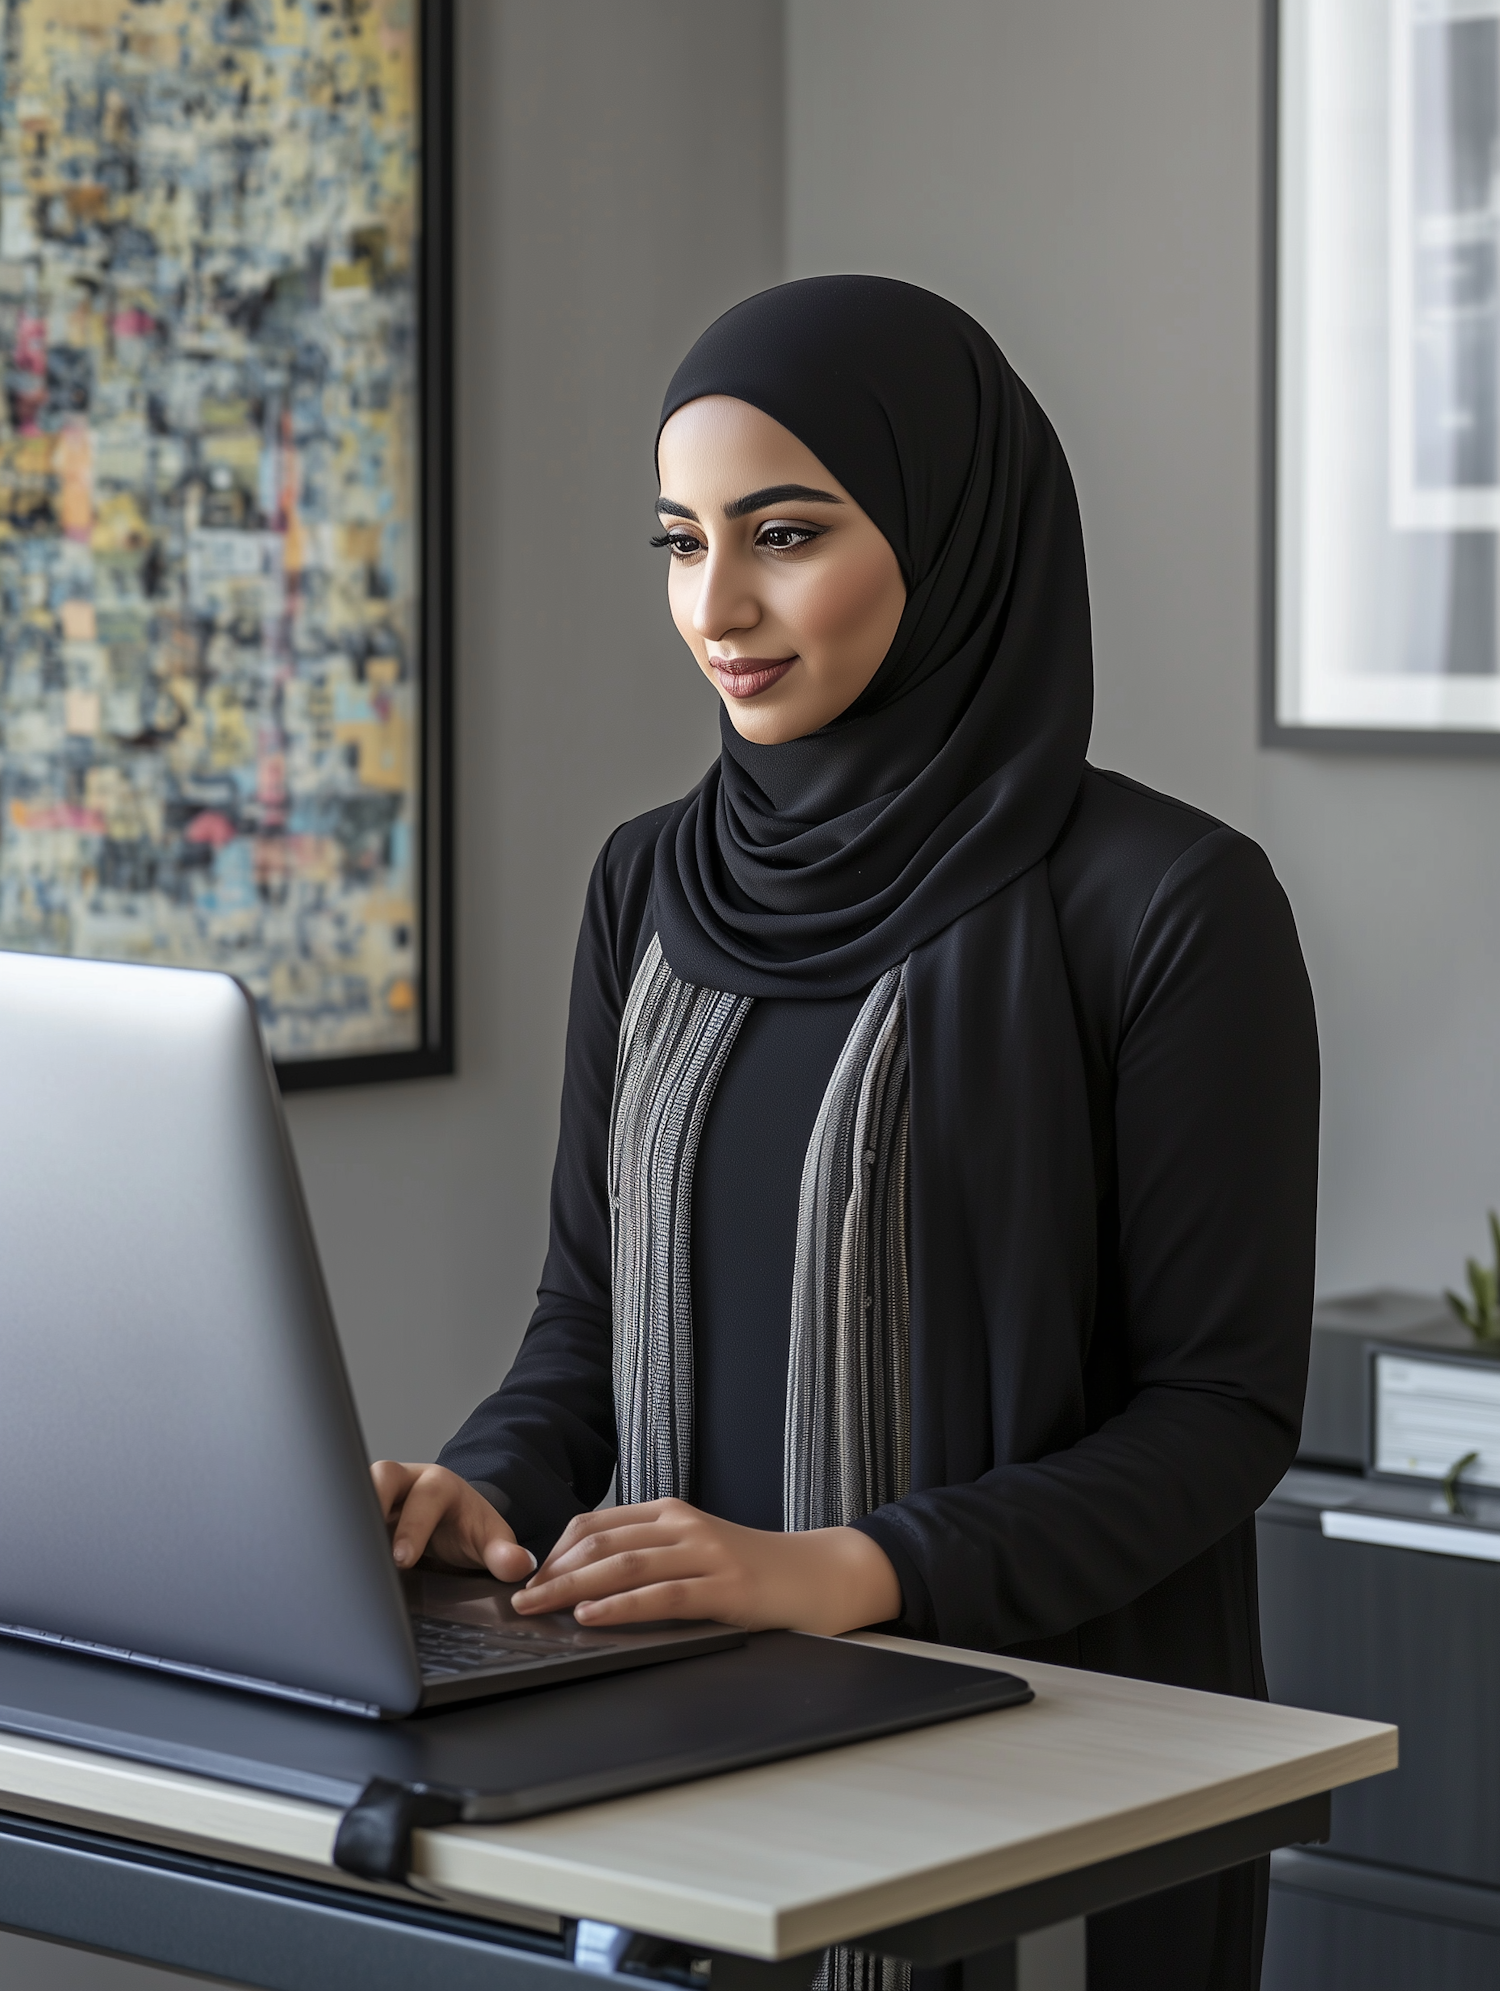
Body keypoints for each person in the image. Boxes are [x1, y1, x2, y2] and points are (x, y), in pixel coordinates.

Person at [370, 277, 1319, 1990]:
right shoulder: (646, 885)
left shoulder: (1167, 907)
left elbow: (1221, 1417)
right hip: (682, 1762)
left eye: (784, 534)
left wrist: (854, 1567)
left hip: (1055, 1790)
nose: (715, 605)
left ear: (952, 535)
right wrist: (484, 1493)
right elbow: (587, 1324)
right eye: (677, 541)